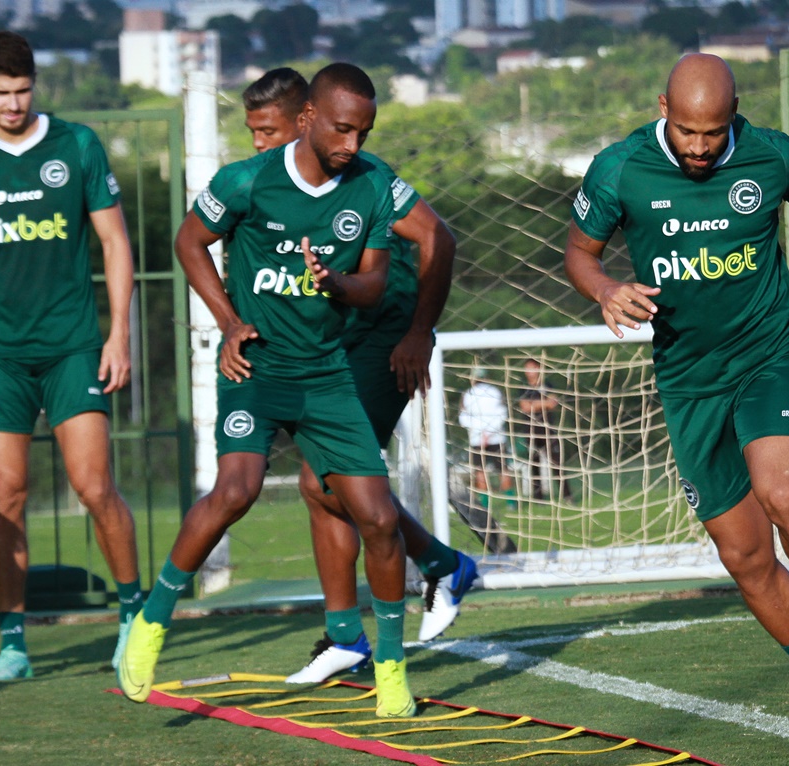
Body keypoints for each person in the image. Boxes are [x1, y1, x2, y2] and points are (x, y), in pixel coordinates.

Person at [564, 53, 789, 756]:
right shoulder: (619, 170)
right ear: (663, 109)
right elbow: (580, 251)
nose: (702, 148)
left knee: (782, 496)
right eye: (687, 132)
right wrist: (602, 288)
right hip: (688, 380)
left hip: (768, 352)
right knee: (743, 556)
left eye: (714, 133)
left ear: (734, 114)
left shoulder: (774, 156)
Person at [121, 63, 417, 718]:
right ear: (308, 118)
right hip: (257, 367)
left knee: (380, 518)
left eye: (364, 131)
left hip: (326, 373)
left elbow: (372, 282)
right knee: (235, 491)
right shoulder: (247, 181)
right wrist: (229, 321)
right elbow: (189, 241)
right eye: (342, 128)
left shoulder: (369, 186)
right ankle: (150, 624)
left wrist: (337, 286)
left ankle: (392, 666)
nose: (353, 144)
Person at [239, 68, 474, 684]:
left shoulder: (368, 179)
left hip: (382, 337)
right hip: (336, 343)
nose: (258, 145)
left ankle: (431, 572)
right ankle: (349, 631)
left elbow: (437, 239)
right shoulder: (272, 182)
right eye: (251, 133)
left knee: (326, 478)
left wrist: (418, 333)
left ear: (303, 121)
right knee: (324, 482)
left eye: (266, 132)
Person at [0, 31, 142, 682]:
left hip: (73, 345)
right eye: (1, 92)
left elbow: (114, 240)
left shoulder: (75, 145)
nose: (13, 104)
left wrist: (119, 331)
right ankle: (13, 644)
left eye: (22, 92)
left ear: (34, 86)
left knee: (94, 485)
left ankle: (136, 619)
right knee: (5, 495)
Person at [515, 359, 571, 501]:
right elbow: (525, 407)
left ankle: (567, 496)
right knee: (534, 464)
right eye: (527, 368)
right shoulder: (523, 387)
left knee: (556, 463)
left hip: (547, 429)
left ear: (539, 368)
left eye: (532, 368)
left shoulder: (547, 385)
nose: (529, 372)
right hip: (530, 430)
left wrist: (536, 404)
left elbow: (553, 404)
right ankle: (538, 498)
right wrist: (543, 403)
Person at [458, 366, 514, 509]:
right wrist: (489, 433)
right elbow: (502, 414)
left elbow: (463, 417)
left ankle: (484, 504)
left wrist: (481, 433)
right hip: (496, 437)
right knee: (503, 470)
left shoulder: (468, 393)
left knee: (480, 471)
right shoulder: (495, 392)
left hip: (477, 439)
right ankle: (511, 503)